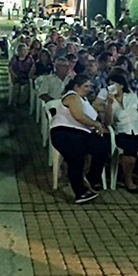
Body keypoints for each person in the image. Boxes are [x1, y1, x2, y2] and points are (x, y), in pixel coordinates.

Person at [49, 74, 110, 204]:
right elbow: (79, 116)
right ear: (76, 86)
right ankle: (80, 192)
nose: (88, 89)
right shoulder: (72, 97)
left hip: (81, 133)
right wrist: (96, 124)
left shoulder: (84, 100)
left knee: (102, 147)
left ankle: (92, 178)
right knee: (76, 157)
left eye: (89, 86)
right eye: (85, 86)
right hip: (64, 132)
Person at [104, 74, 138, 193]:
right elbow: (109, 122)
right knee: (130, 149)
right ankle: (128, 180)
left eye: (114, 84)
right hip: (123, 130)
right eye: (110, 84)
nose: (111, 86)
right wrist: (109, 104)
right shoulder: (109, 101)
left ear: (121, 85)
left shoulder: (132, 96)